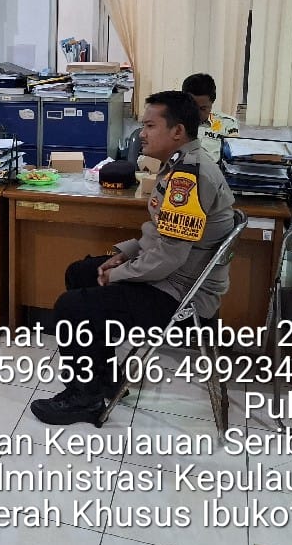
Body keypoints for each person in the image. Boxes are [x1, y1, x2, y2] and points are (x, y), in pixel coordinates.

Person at [30, 91, 236, 427]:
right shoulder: (179, 164)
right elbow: (160, 234)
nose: (142, 133)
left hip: (182, 296)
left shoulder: (189, 177)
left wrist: (119, 274)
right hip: (172, 276)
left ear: (177, 131)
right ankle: (104, 379)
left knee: (72, 307)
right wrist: (123, 254)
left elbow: (168, 256)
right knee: (81, 272)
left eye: (150, 126)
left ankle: (85, 398)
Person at [182, 72, 239, 163]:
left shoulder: (227, 123)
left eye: (203, 108)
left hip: (212, 169)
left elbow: (233, 156)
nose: (197, 113)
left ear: (212, 102)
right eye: (192, 107)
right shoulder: (175, 121)